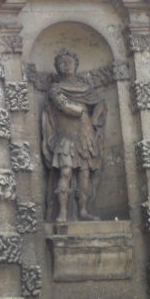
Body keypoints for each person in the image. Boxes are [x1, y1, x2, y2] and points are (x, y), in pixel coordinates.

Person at [41, 49, 106, 223]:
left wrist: (93, 118)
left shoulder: (85, 88)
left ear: (76, 65)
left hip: (85, 136)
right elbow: (66, 108)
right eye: (62, 63)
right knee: (66, 171)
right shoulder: (55, 88)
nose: (66, 65)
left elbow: (100, 102)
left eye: (69, 62)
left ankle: (84, 211)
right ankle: (62, 212)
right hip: (66, 135)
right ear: (56, 67)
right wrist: (80, 110)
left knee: (84, 174)